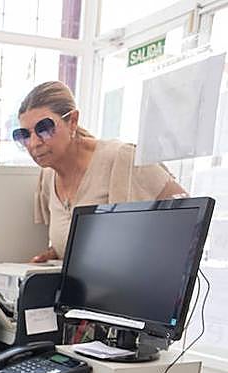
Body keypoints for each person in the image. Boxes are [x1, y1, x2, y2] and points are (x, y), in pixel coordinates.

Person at [16, 81, 187, 263]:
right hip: (80, 287)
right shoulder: (48, 176)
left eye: (45, 128)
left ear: (72, 121)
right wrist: (57, 252)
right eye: (24, 135)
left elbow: (188, 217)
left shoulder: (122, 158)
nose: (34, 143)